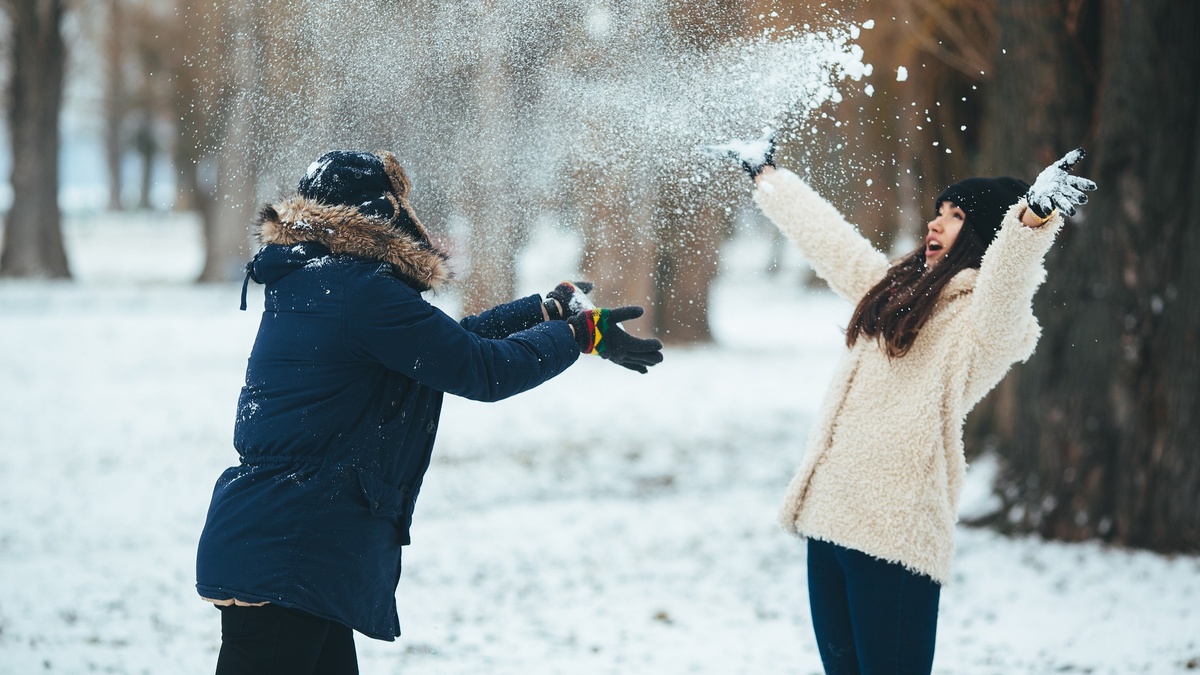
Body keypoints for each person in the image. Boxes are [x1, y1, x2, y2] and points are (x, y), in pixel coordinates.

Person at [195, 149, 663, 674]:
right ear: (380, 214)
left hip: (286, 549)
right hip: (292, 553)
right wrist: (579, 334)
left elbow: (444, 347)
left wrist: (545, 310)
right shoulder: (359, 292)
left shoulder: (319, 282)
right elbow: (484, 371)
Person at [714, 135, 1095, 674]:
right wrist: (769, 178)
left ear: (984, 234)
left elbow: (1008, 285)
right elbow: (833, 244)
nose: (936, 224)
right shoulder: (896, 293)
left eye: (956, 215)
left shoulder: (983, 328)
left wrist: (1029, 220)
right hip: (828, 523)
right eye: (939, 211)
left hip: (893, 539)